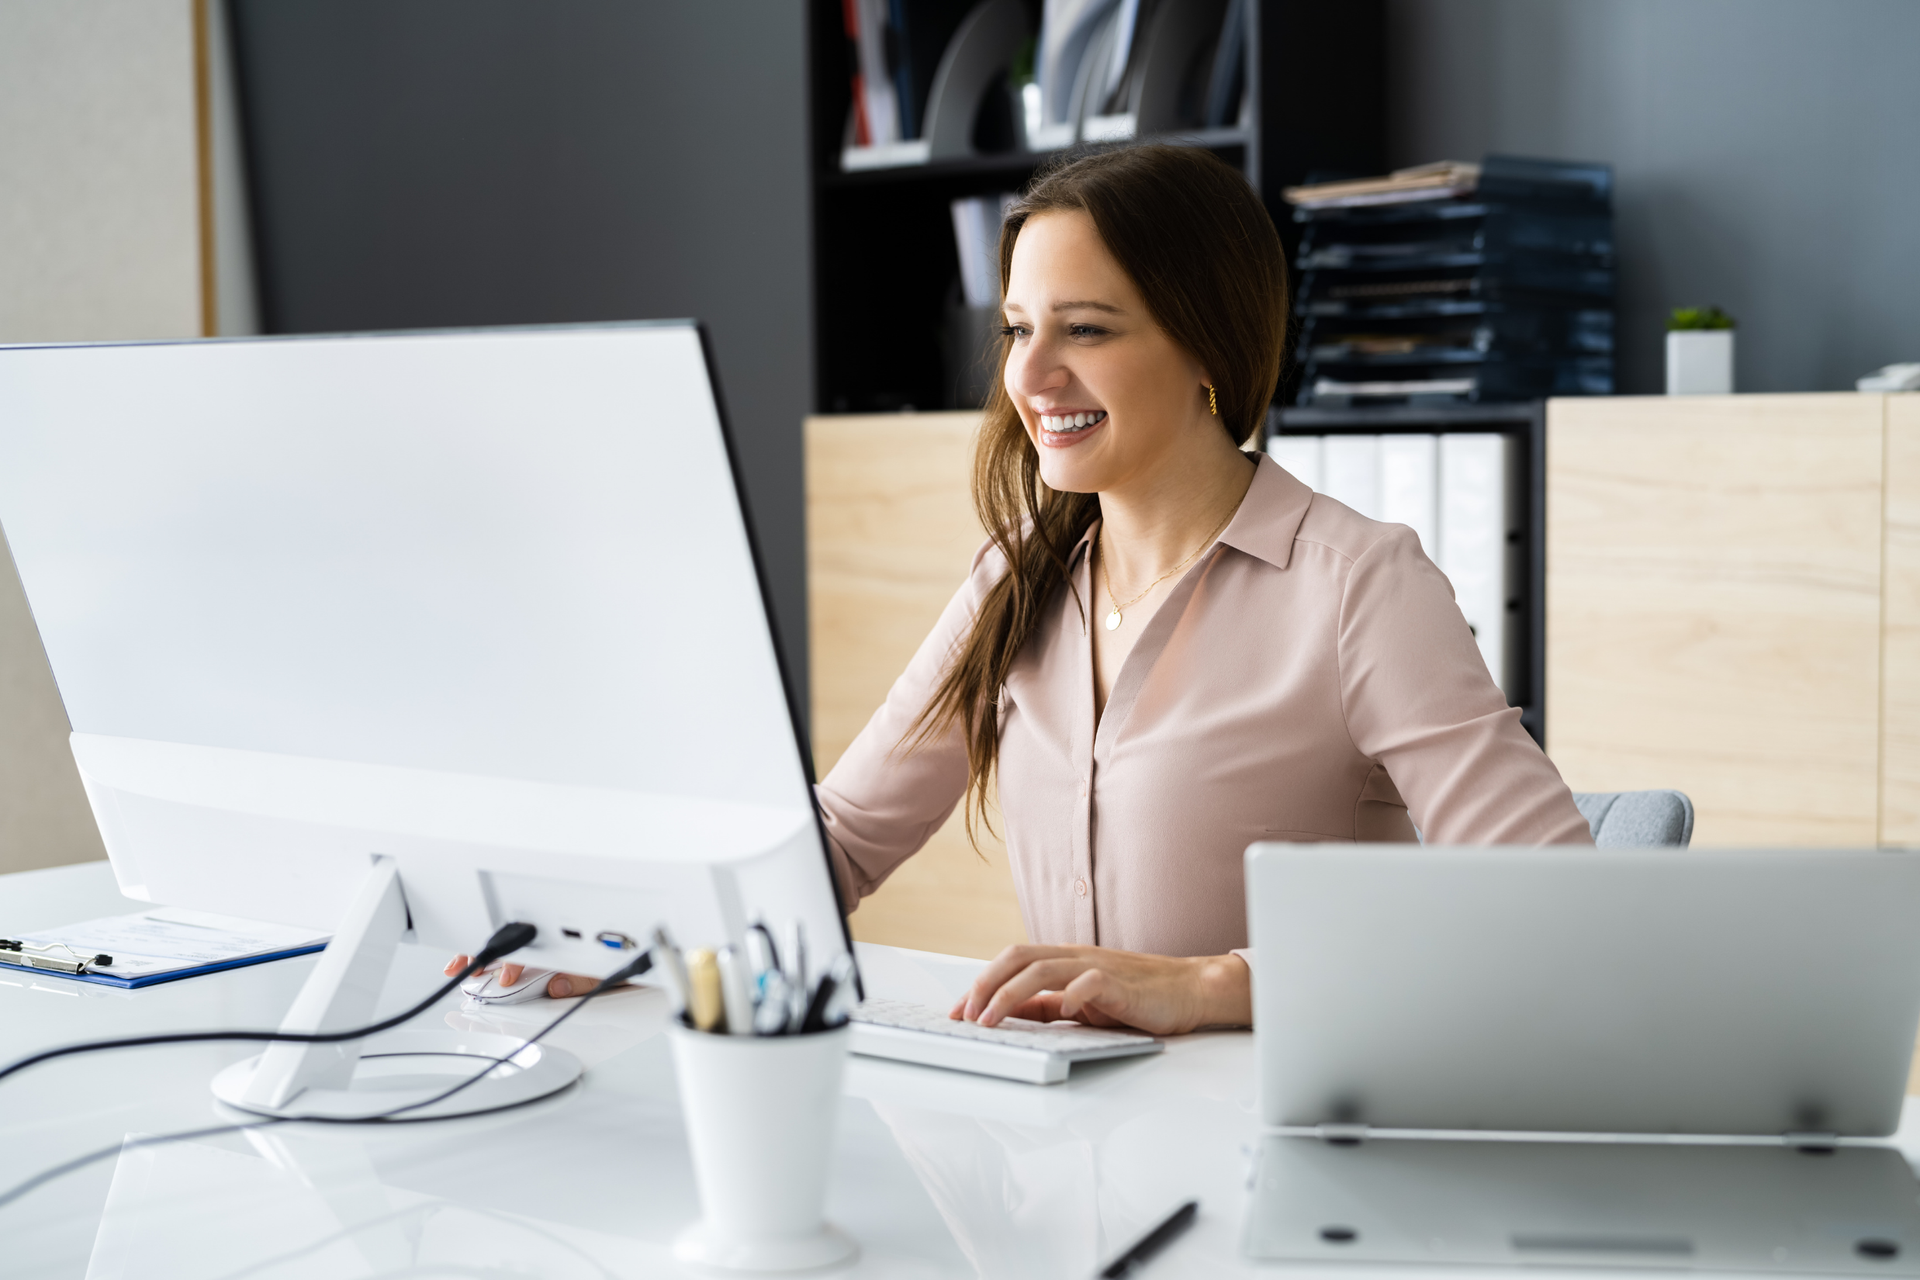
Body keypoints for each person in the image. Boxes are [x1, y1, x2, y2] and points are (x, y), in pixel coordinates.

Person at [450, 144, 1592, 1029]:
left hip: (1283, 1128)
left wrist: (1213, 982)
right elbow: (840, 836)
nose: (1032, 377)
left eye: (1085, 331)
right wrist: (606, 933)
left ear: (1209, 347)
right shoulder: (1020, 577)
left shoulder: (1356, 585)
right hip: (1071, 1132)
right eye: (1017, 329)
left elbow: (1552, 908)